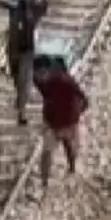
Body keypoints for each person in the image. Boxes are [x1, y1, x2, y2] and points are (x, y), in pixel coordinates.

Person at [0, 0, 48, 124]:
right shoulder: (14, 7)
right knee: (15, 76)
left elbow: (45, 2)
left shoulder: (35, 9)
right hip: (13, 45)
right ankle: (20, 101)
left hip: (27, 47)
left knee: (24, 79)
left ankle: (22, 112)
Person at [35, 57, 89, 196]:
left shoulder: (65, 81)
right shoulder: (39, 81)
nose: (38, 77)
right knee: (46, 152)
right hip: (52, 122)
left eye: (41, 73)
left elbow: (82, 97)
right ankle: (44, 183)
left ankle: (72, 168)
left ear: (47, 71)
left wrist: (77, 113)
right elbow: (46, 97)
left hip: (68, 121)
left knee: (69, 146)